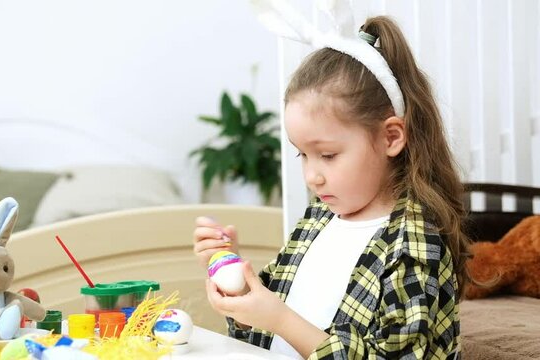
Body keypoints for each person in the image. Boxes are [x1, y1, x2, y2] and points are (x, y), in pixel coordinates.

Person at [193, 15, 469, 360]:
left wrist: (277, 317)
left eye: (327, 154)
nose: (312, 176)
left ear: (391, 137)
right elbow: (269, 326)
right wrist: (232, 271)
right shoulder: (320, 217)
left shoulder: (413, 243)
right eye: (303, 154)